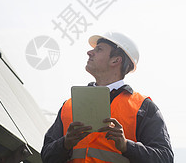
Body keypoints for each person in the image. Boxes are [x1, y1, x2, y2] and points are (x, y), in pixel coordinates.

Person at [41, 32, 173, 163]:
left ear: (116, 60)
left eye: (99, 49)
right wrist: (65, 143)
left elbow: (165, 158)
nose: (89, 52)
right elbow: (46, 156)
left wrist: (126, 145)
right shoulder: (69, 105)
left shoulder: (143, 107)